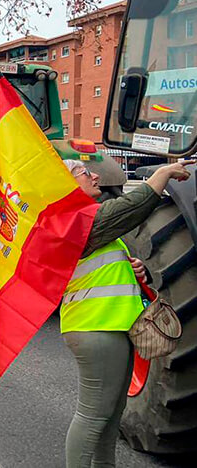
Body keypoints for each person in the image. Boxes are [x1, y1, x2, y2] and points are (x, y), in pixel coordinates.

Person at [61, 159, 191, 468]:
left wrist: (137, 269)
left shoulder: (86, 223)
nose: (95, 175)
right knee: (93, 416)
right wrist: (160, 176)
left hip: (110, 326)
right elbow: (128, 208)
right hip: (96, 328)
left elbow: (101, 272)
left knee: (110, 417)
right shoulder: (76, 220)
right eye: (83, 172)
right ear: (66, 185)